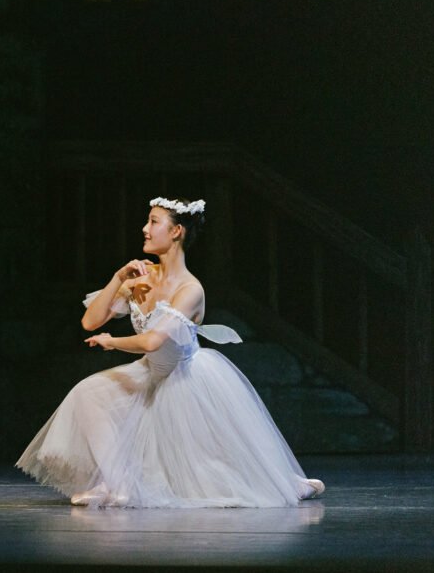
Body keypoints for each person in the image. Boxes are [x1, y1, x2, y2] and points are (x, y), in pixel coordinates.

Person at [16, 197, 324, 508]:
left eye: (153, 222)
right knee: (88, 393)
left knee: (207, 473)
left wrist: (112, 342)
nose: (145, 229)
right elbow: (90, 320)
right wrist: (119, 278)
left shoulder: (190, 289)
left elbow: (153, 341)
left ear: (176, 231)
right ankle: (118, 484)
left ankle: (287, 483)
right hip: (150, 371)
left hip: (183, 376)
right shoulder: (142, 278)